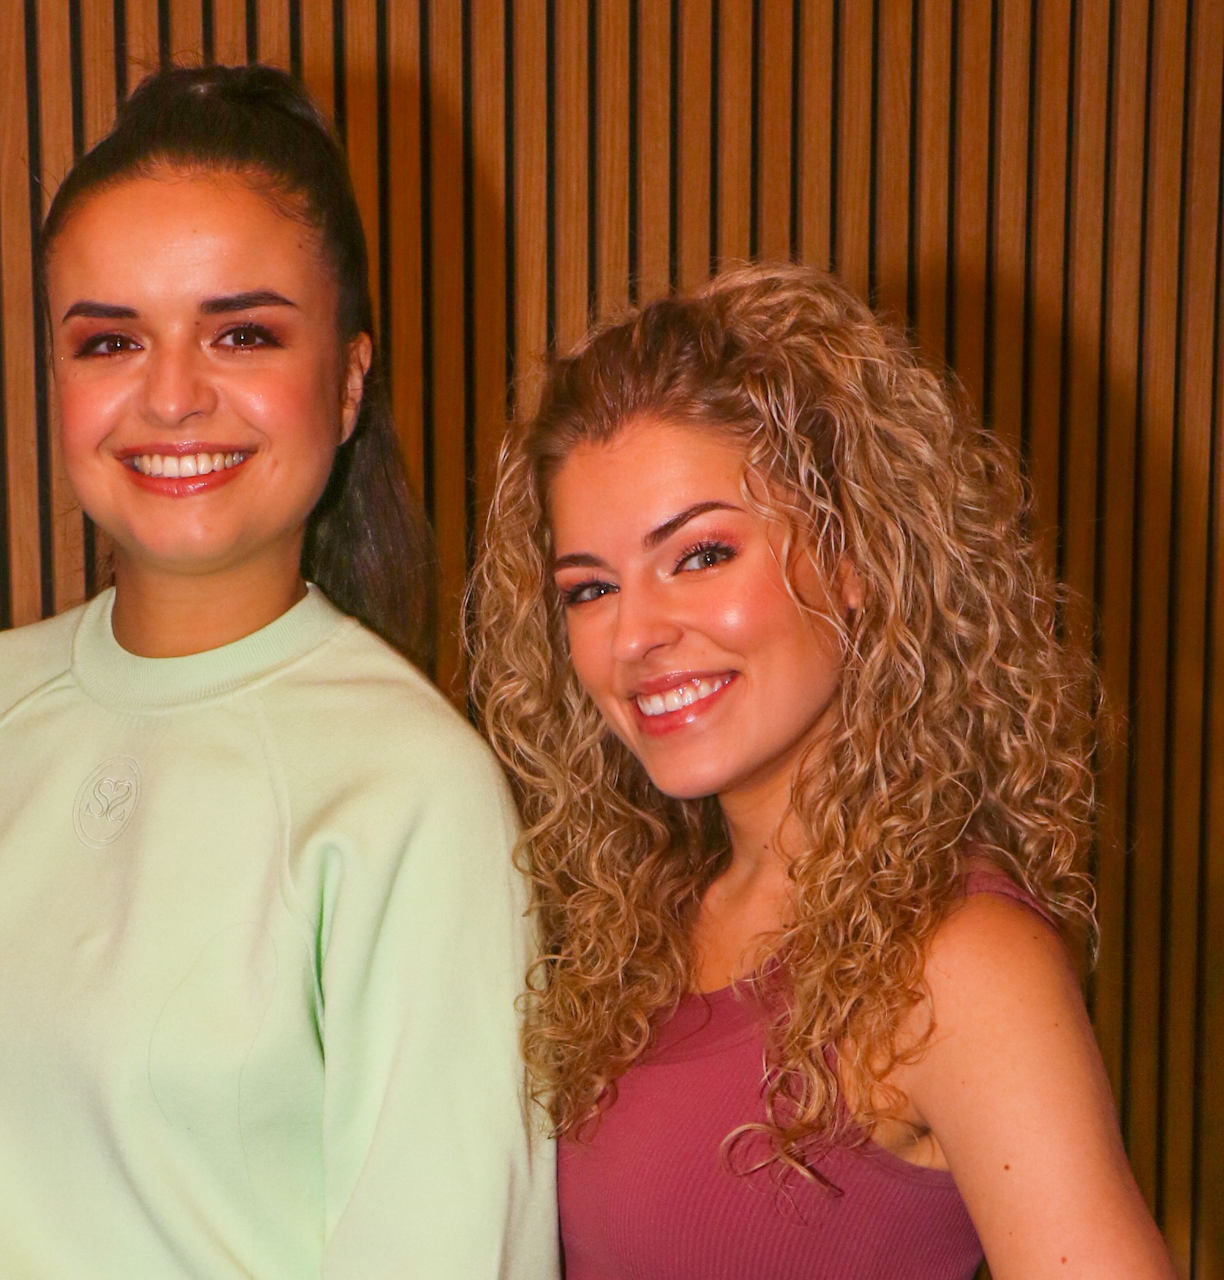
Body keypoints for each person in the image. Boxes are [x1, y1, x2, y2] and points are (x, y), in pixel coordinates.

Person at [0, 64, 556, 1278]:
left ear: (347, 380)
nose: (173, 395)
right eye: (110, 340)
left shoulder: (413, 793)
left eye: (241, 332)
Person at [467, 262, 1173, 1278]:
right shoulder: (638, 931)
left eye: (701, 555)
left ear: (854, 558)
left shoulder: (960, 961)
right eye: (589, 589)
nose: (635, 636)